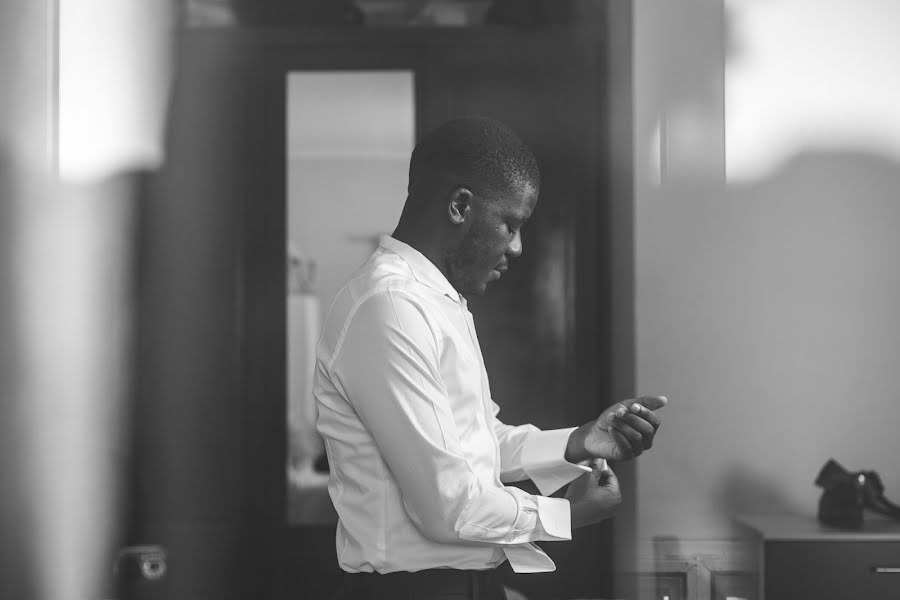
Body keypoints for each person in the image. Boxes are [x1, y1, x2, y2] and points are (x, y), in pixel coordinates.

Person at [314, 116, 666, 600]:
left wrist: (582, 441)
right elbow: (448, 506)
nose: (518, 247)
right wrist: (569, 514)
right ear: (460, 205)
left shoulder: (437, 302)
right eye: (512, 224)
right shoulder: (391, 306)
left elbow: (477, 445)